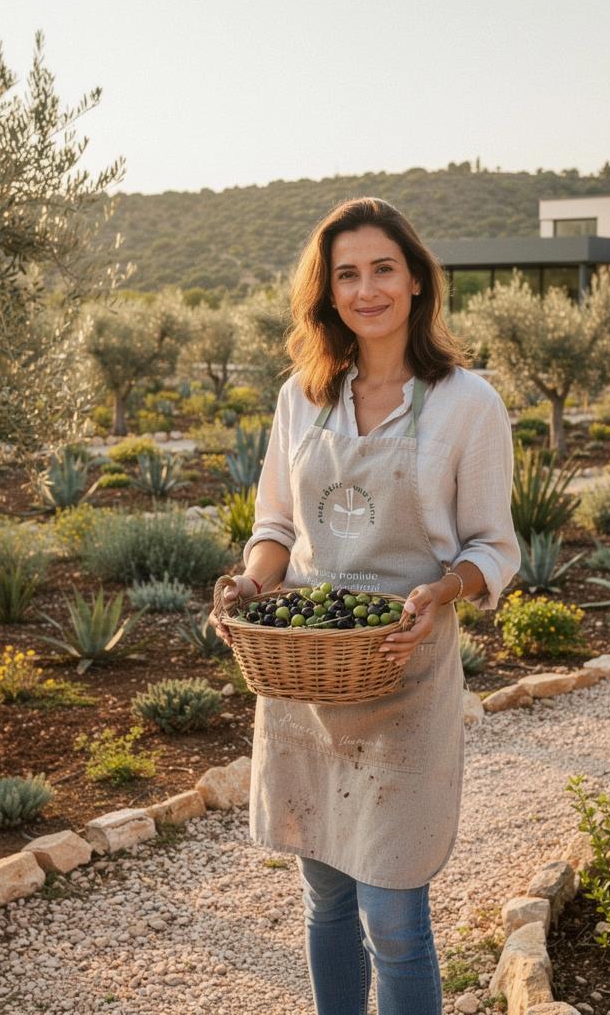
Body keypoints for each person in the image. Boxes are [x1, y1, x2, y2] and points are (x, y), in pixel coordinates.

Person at [212, 197, 519, 1015]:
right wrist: (252, 583)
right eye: (347, 273)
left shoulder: (467, 404)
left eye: (384, 269)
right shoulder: (301, 398)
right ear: (328, 291)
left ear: (416, 281)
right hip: (309, 674)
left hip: (404, 673)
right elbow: (274, 526)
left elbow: (494, 547)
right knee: (324, 897)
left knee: (392, 913)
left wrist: (445, 590)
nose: (366, 288)